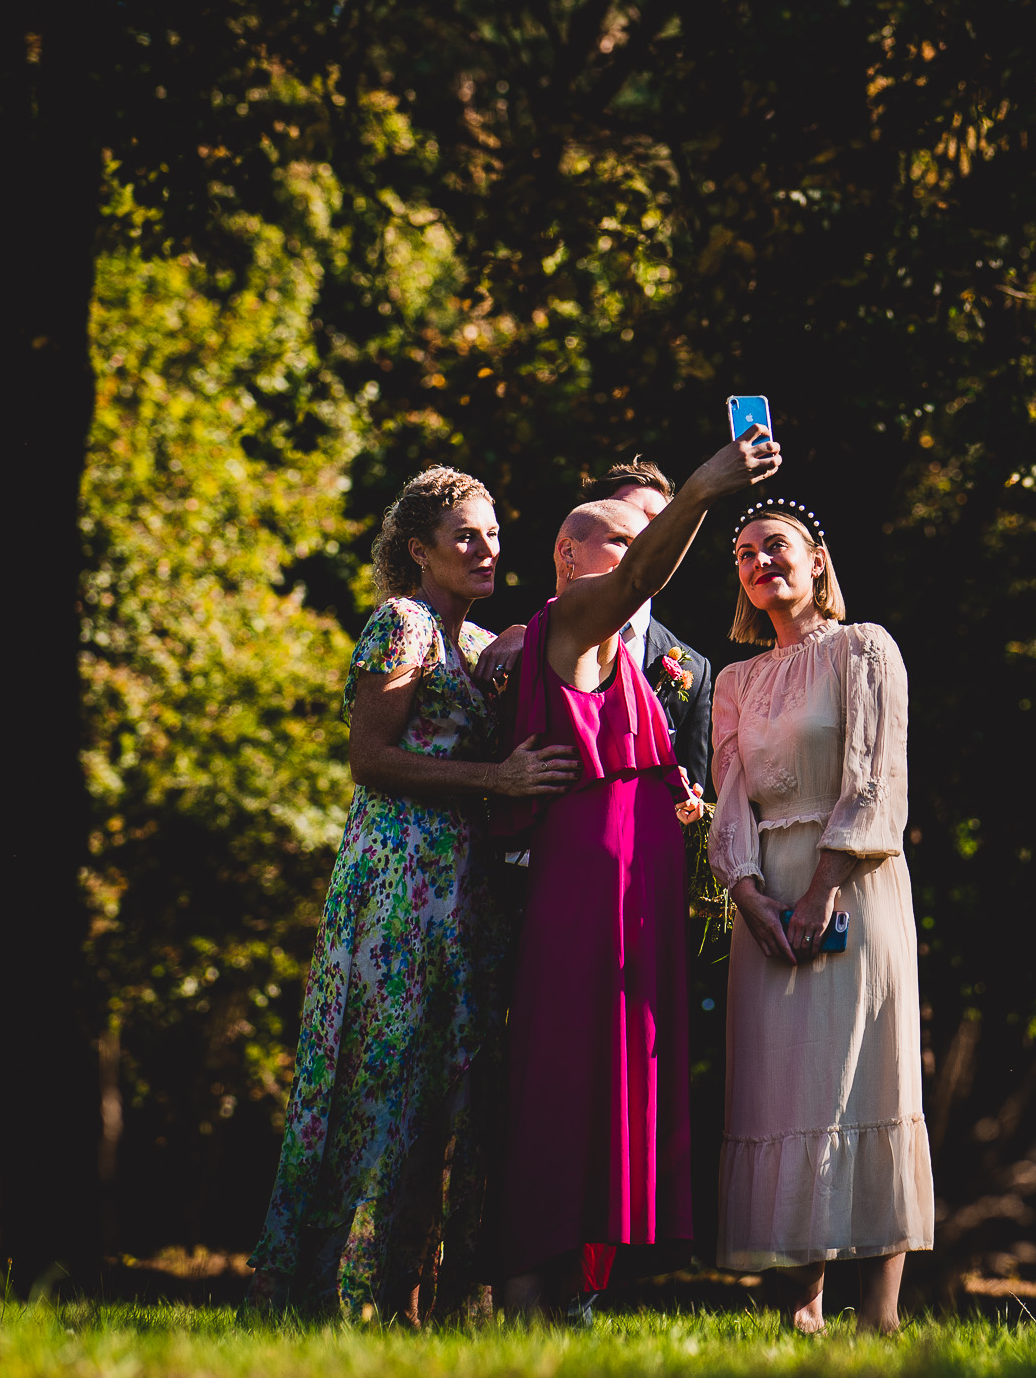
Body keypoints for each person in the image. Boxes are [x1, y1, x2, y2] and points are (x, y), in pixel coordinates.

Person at [250, 467, 581, 1323]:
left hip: (467, 893)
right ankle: (332, 1292)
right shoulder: (402, 623)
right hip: (398, 883)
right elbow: (370, 757)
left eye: (496, 533)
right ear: (418, 550)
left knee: (448, 1086)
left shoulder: (473, 646)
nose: (488, 548)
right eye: (466, 534)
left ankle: (409, 1299)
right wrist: (495, 776)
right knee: (382, 1080)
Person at [490, 428, 781, 1319]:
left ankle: (578, 1285)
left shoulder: (642, 658)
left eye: (637, 537)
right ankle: (526, 1282)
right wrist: (707, 484)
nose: (635, 550)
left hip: (636, 889)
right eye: (617, 537)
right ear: (568, 555)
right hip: (582, 884)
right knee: (559, 1075)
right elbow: (639, 581)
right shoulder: (575, 617)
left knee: (613, 1083)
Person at [712, 498, 932, 1334]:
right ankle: (800, 1312)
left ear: (816, 557)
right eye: (742, 553)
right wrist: (746, 890)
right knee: (783, 1092)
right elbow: (731, 797)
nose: (759, 561)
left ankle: (878, 1318)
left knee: (864, 1077)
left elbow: (875, 777)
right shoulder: (734, 680)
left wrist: (823, 888)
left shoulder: (864, 648)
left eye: (775, 545)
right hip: (766, 895)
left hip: (853, 886)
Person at [479, 457, 716, 802]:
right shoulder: (523, 634)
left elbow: (695, 787)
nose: (646, 538)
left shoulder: (694, 667)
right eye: (626, 523)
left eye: (660, 525)